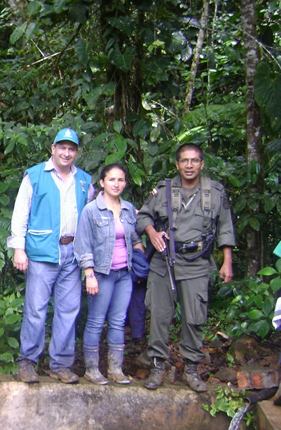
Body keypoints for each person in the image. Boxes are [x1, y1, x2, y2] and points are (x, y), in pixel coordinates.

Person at [136, 143, 235, 392]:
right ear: (177, 164)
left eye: (194, 161)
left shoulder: (215, 192)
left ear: (202, 164)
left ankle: (191, 368)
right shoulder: (164, 190)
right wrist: (152, 233)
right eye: (184, 161)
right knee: (159, 316)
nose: (189, 165)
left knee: (194, 318)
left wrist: (227, 261)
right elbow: (143, 216)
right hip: (164, 262)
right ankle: (158, 366)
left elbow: (225, 227)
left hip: (197, 263)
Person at [8, 128, 95, 384]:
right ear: (53, 148)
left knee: (68, 310)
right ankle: (27, 362)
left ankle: (60, 365)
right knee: (36, 309)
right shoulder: (35, 175)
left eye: (71, 149)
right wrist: (19, 248)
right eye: (62, 148)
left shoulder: (84, 180)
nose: (66, 153)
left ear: (77, 152)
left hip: (72, 253)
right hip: (41, 252)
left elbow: (91, 214)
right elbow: (20, 212)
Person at [74, 163, 144, 385]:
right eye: (111, 179)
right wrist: (89, 275)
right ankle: (92, 369)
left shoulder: (129, 209)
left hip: (125, 274)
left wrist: (141, 258)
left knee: (118, 321)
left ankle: (115, 369)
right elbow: (83, 244)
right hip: (102, 274)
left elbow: (134, 238)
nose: (116, 184)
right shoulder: (91, 210)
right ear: (102, 182)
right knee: (96, 321)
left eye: (120, 180)